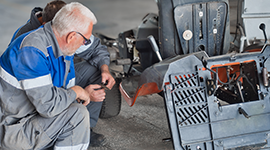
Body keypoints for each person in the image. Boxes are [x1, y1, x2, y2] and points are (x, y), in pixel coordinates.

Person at [0, 2, 109, 149]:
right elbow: (48, 106)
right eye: (85, 40)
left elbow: (95, 49)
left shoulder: (59, 40)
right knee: (77, 115)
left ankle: (80, 131)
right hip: (16, 128)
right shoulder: (31, 51)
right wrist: (78, 92)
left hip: (39, 107)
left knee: (78, 107)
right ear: (71, 37)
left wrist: (104, 70)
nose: (85, 44)